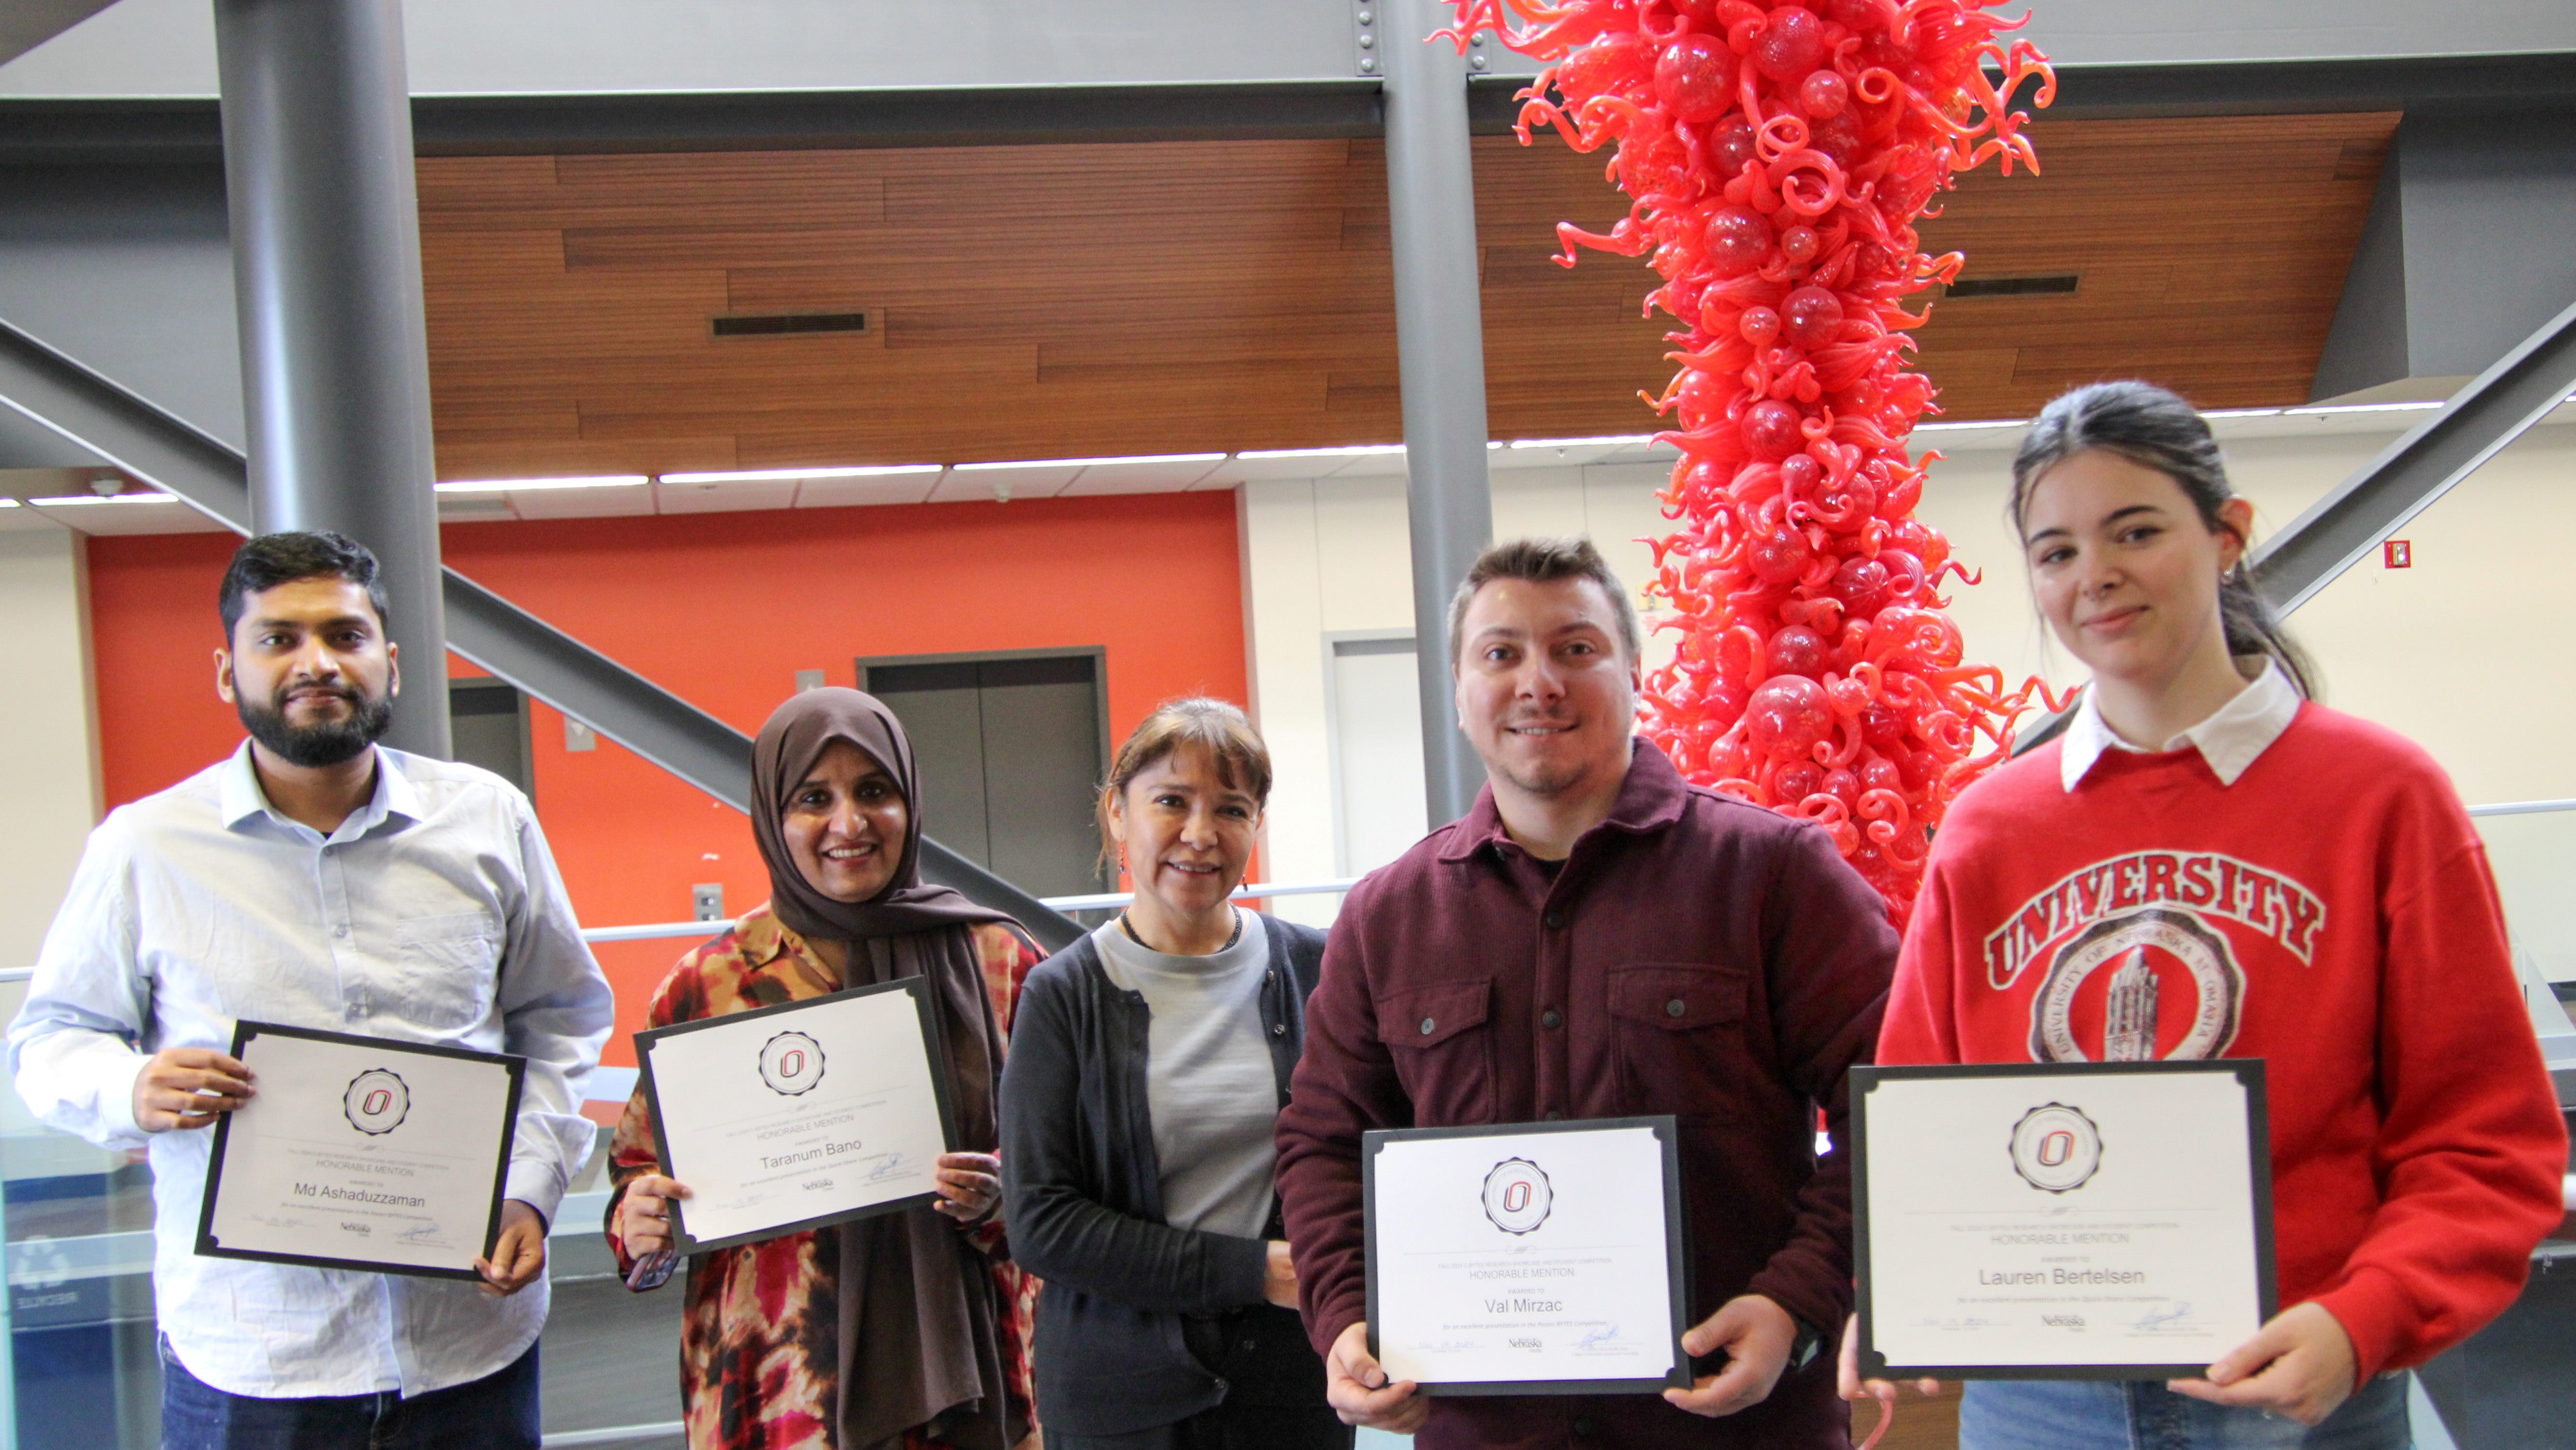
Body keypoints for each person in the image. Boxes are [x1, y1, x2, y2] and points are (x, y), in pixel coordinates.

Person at [1847, 380, 2566, 1448]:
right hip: (2041, 1405)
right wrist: (1898, 1277)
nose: (2095, 575)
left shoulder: (2382, 798)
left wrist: (2359, 1318)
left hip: (2303, 1392)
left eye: (2135, 531)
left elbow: (2484, 1143)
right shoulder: (1987, 829)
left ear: (2227, 535)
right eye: (2055, 552)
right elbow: (1921, 1125)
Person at [1274, 536, 1900, 1449]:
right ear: (1458, 690)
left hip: (1737, 1428)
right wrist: (1346, 1321)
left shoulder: (1772, 875)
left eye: (1576, 648)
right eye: (1501, 654)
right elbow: (1322, 1141)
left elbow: (1895, 1107)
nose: (1539, 682)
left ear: (1633, 671)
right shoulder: (1386, 916)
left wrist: (1794, 1300)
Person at [7, 530, 614, 1450]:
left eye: (344, 634)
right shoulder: (145, 846)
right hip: (253, 1359)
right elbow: (47, 1039)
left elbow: (559, 1018)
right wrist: (129, 1087)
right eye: (278, 639)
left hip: (467, 1344)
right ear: (227, 671)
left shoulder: (487, 818)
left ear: (391, 662)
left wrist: (531, 1187)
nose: (316, 662)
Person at [607, 687, 1044, 1450]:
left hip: (973, 1382)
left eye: (874, 791)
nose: (849, 823)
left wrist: (999, 1194)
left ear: (910, 801)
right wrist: (639, 1221)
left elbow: (1067, 1168)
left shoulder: (1000, 962)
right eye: (814, 797)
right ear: (773, 816)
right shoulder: (709, 983)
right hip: (775, 1391)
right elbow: (639, 1170)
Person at [1001, 699, 1349, 1450]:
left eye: (1232, 807)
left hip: (1293, 1388)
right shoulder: (1062, 994)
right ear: (1117, 815)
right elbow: (1040, 1221)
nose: (1200, 833)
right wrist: (1250, 1270)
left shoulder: (1320, 969)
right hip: (1120, 1404)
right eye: (1170, 801)